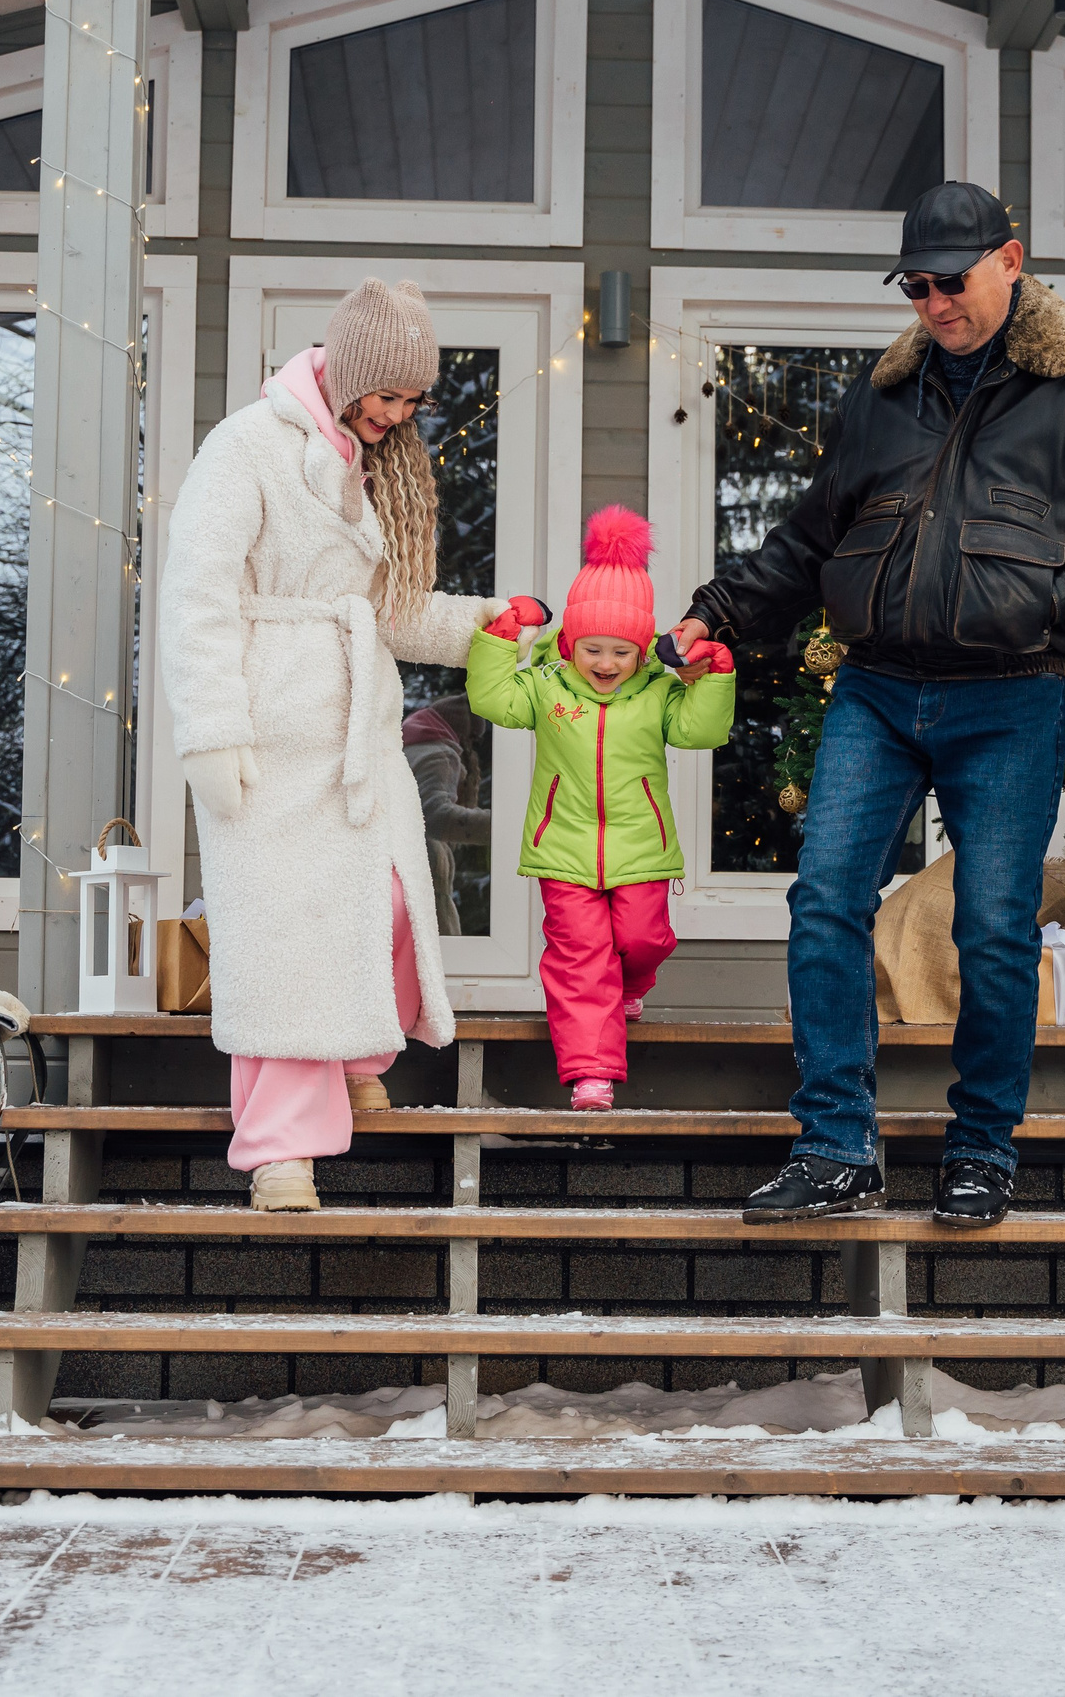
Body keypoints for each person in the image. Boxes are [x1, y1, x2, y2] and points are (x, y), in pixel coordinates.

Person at [664, 182, 1065, 1229]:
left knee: (993, 927)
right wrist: (714, 612)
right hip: (876, 687)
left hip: (1009, 694)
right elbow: (813, 535)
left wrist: (1054, 599)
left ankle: (981, 1151)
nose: (932, 303)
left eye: (949, 281)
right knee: (824, 903)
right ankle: (832, 1147)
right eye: (914, 285)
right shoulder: (886, 391)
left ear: (1010, 258)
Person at [160, 278, 516, 1213]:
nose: (398, 417)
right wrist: (212, 730)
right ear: (351, 372)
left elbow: (390, 612)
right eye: (387, 396)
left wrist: (488, 623)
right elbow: (196, 591)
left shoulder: (371, 465)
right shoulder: (244, 447)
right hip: (268, 730)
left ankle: (359, 1048)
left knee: (389, 901)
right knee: (283, 940)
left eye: (412, 402)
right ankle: (280, 1150)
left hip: (356, 724)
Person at [467, 506, 735, 1109]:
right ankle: (592, 1072)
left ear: (643, 649)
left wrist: (714, 675)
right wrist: (500, 637)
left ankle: (632, 984)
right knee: (579, 955)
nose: (606, 664)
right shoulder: (547, 688)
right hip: (562, 849)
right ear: (570, 643)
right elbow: (491, 698)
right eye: (593, 649)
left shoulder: (659, 693)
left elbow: (700, 732)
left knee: (642, 939)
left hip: (642, 846)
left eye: (621, 651)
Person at [401, 693, 488, 935]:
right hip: (428, 868)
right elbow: (436, 815)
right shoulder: (439, 753)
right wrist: (501, 827)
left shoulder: (412, 747)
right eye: (473, 739)